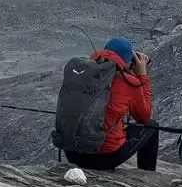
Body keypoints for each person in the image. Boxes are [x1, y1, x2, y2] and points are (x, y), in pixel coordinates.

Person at [64, 37, 160, 172]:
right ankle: (147, 175)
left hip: (72, 153)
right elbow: (143, 116)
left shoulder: (82, 72)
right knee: (152, 126)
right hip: (104, 157)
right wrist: (142, 76)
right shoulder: (128, 81)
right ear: (127, 59)